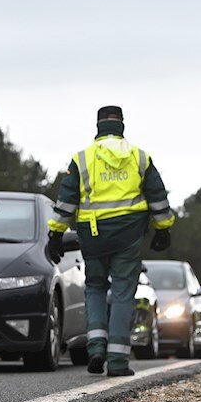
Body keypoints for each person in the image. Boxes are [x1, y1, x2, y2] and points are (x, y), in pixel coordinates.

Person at [47, 106, 174, 376]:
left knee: (94, 288)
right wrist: (163, 228)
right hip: (128, 235)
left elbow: (66, 200)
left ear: (98, 126)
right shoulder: (140, 157)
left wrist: (56, 234)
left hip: (93, 236)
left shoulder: (82, 158)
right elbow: (158, 196)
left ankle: (95, 348)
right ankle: (117, 361)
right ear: (122, 126)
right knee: (123, 294)